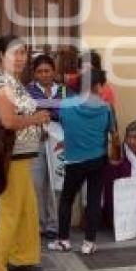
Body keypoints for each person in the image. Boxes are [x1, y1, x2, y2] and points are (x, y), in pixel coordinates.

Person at [0, 35, 52, 271]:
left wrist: (35, 124)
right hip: (9, 159)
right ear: (1, 56)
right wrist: (37, 119)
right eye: (14, 53)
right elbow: (8, 122)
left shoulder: (16, 83)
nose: (20, 58)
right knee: (11, 212)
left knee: (27, 210)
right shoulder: (3, 84)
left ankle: (21, 257)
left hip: (22, 157)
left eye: (23, 52)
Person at [49, 68, 116, 255]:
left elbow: (62, 124)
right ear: (97, 86)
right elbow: (113, 132)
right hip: (98, 160)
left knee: (67, 200)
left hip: (73, 160)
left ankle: (63, 240)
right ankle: (89, 243)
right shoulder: (106, 107)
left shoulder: (66, 105)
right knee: (94, 201)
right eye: (103, 85)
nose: (104, 89)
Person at [25, 54, 67, 239]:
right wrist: (39, 121)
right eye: (40, 71)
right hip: (36, 141)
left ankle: (53, 225)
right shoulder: (28, 91)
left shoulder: (64, 91)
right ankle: (38, 224)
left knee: (56, 182)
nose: (44, 75)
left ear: (54, 71)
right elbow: (26, 112)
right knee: (36, 183)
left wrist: (46, 113)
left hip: (59, 142)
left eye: (47, 71)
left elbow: (67, 111)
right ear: (34, 74)